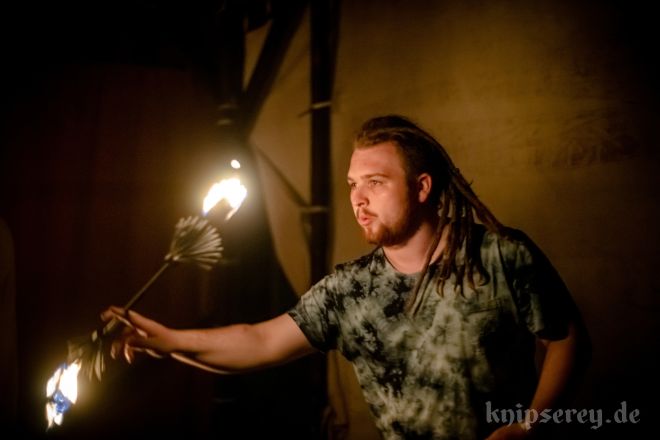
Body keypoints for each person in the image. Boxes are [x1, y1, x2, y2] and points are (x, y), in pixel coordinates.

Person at [103, 115, 589, 439]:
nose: (358, 199)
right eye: (353, 185)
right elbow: (260, 341)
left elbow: (567, 340)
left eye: (376, 183)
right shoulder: (350, 290)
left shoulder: (501, 256)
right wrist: (168, 340)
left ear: (422, 187)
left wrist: (528, 426)